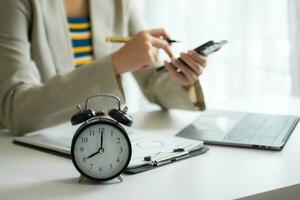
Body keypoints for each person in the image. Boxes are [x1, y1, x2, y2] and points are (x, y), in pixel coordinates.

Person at [0, 0, 207, 136]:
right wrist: (115, 63)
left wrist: (183, 80)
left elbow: (152, 81)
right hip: (30, 155)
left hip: (104, 142)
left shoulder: (121, 3)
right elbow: (14, 109)